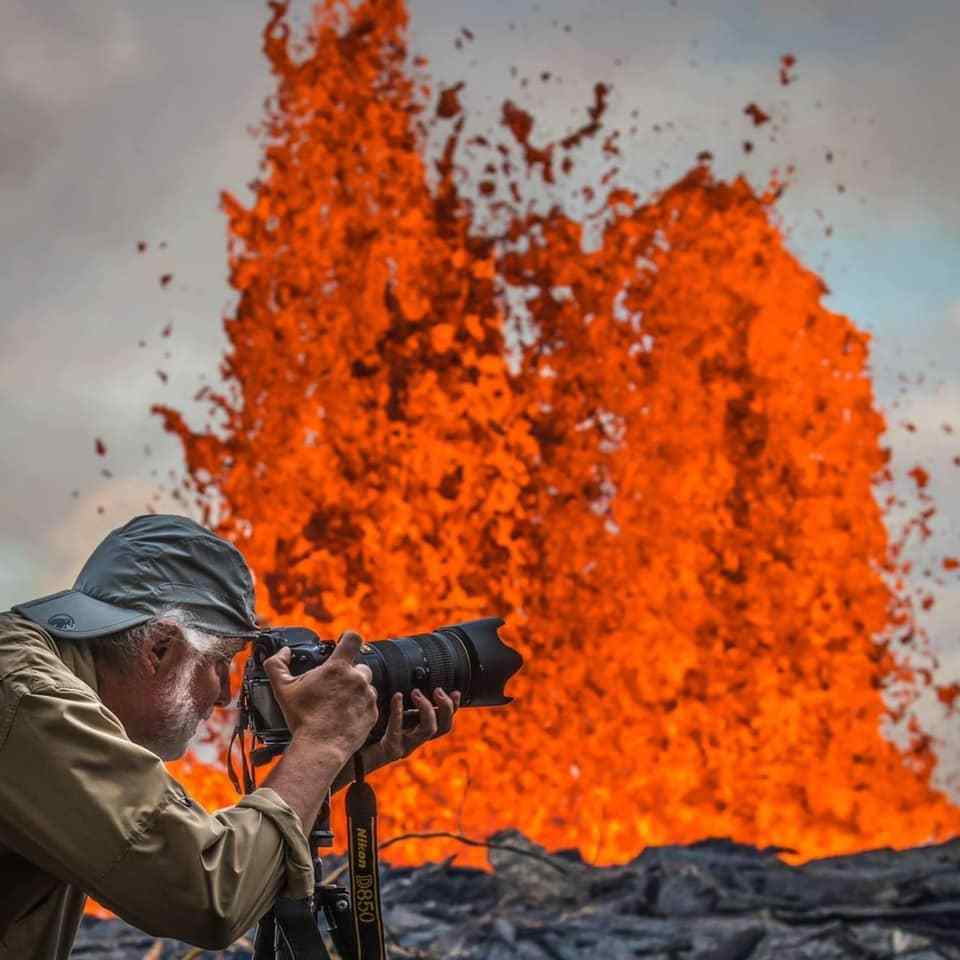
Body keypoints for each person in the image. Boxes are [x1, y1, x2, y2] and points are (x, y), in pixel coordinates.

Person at [0, 514, 461, 959]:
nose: (224, 694)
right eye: (222, 660)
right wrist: (321, 742)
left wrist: (329, 763)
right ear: (158, 648)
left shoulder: (33, 687)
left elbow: (185, 844)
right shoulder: (30, 698)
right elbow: (207, 896)